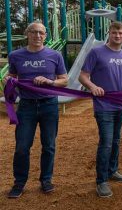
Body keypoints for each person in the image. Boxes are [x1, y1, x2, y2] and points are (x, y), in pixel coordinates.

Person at [6, 22, 68, 198]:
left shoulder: (55, 55)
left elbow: (64, 80)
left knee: (49, 146)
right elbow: (12, 76)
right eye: (34, 32)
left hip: (49, 105)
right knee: (22, 147)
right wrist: (8, 80)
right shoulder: (15, 55)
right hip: (26, 106)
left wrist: (50, 82)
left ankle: (46, 179)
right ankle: (19, 183)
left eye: (41, 32)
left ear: (45, 35)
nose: (37, 36)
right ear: (27, 34)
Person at [79, 21, 122, 197]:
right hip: (103, 106)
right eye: (114, 33)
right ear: (109, 34)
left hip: (120, 105)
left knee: (116, 141)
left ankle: (112, 170)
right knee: (106, 142)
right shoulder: (96, 52)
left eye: (120, 33)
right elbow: (83, 76)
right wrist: (92, 87)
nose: (117, 36)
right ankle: (101, 181)